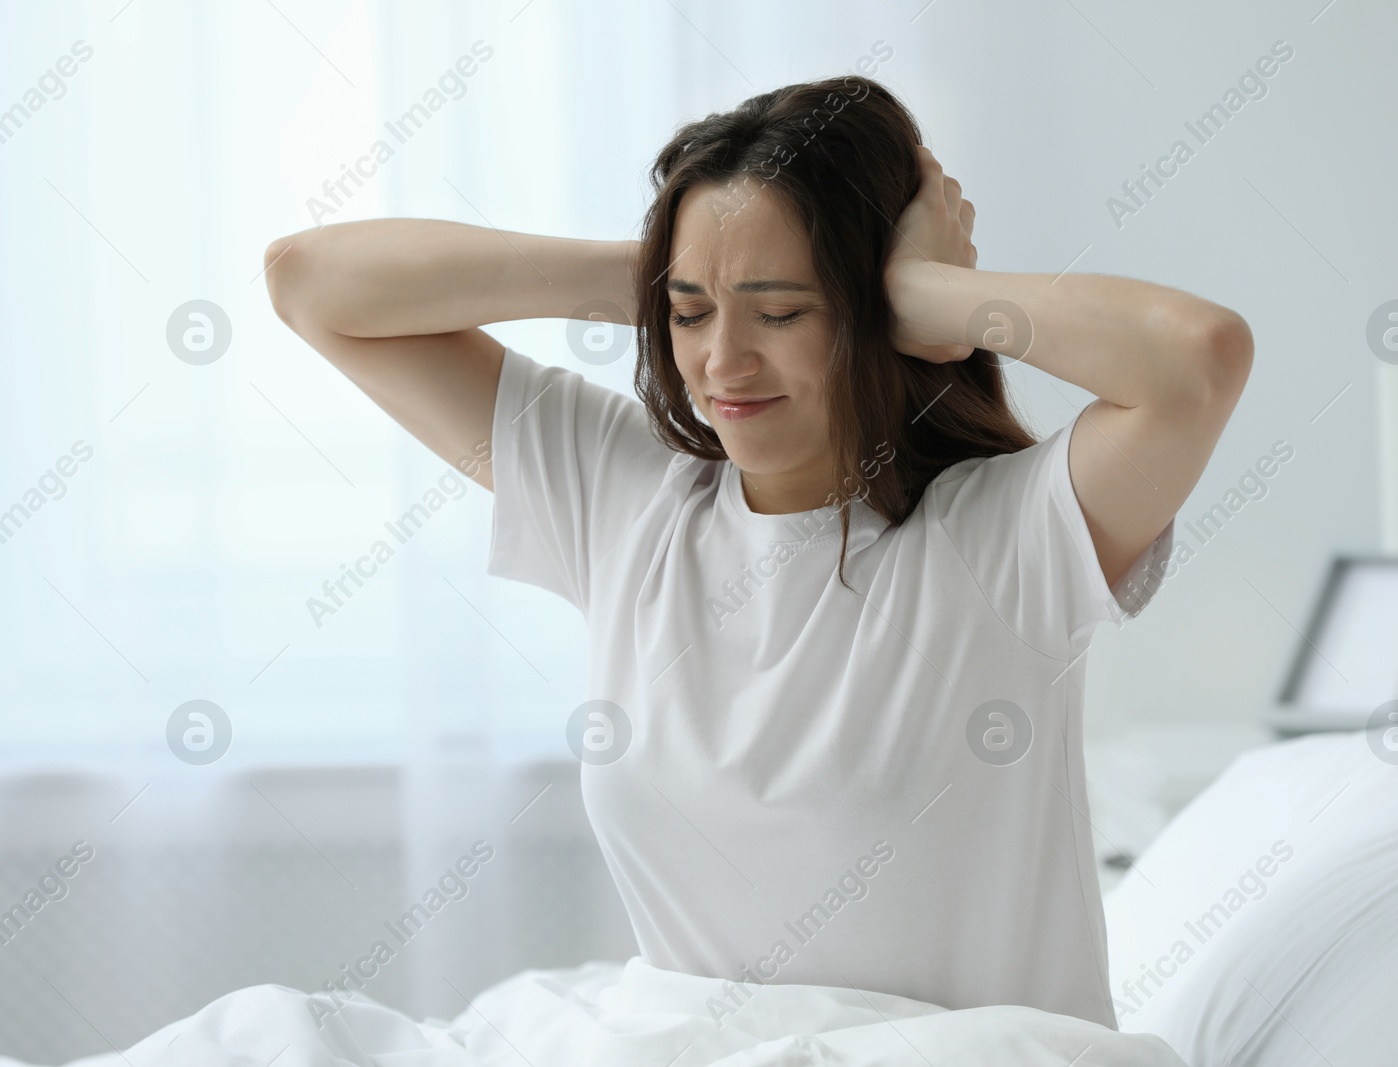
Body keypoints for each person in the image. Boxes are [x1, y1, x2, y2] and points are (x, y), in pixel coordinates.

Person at [263, 73, 1251, 1029]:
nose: (721, 365)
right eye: (690, 316)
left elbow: (1195, 356)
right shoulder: (624, 497)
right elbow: (310, 282)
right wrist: (665, 269)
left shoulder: (1012, 535)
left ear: (874, 312)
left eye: (780, 313)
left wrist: (922, 287)